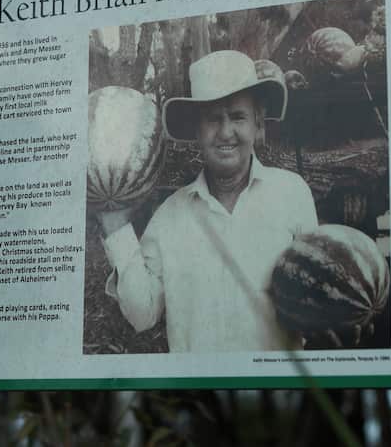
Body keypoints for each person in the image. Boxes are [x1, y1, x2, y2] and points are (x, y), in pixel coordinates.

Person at [96, 49, 318, 352]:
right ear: (197, 131)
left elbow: (316, 298)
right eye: (213, 119)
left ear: (258, 122)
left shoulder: (292, 193)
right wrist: (115, 225)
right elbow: (141, 314)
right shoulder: (170, 216)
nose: (225, 132)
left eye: (238, 117)